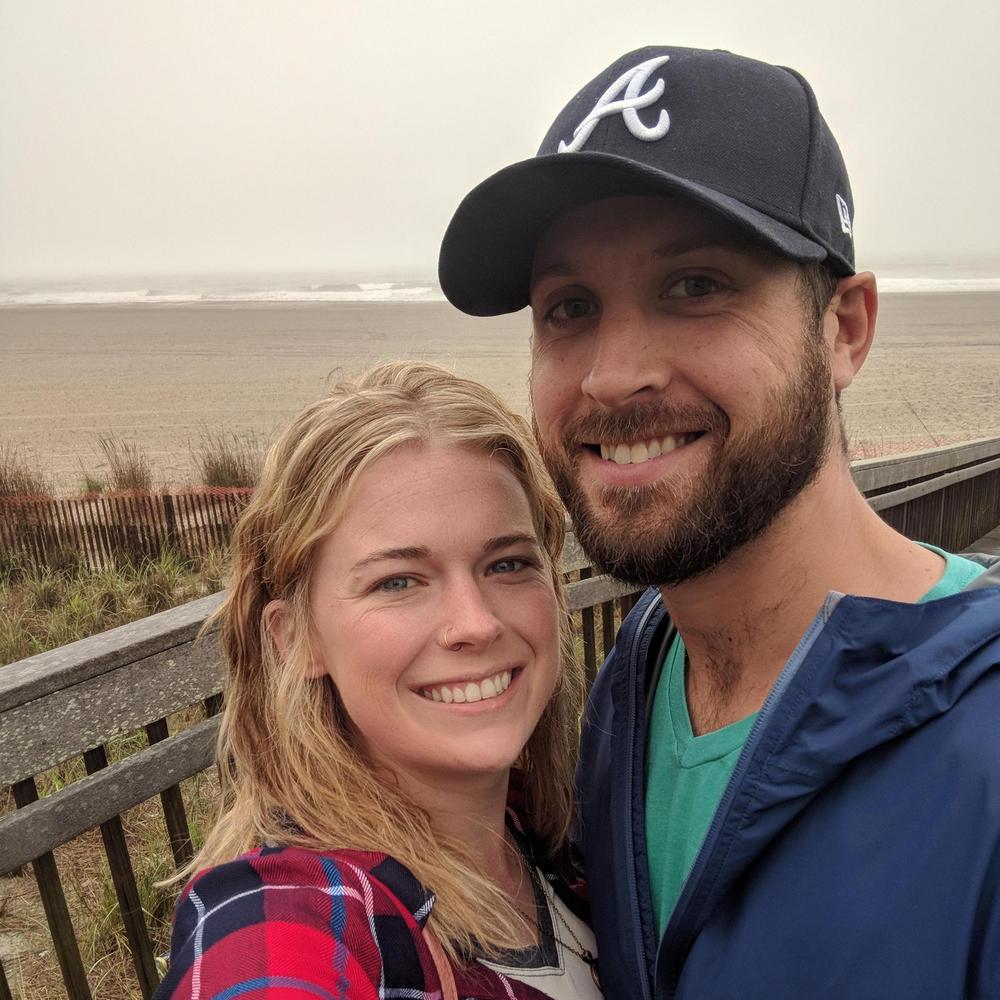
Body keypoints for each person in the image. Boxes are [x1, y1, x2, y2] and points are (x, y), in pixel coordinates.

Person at [439, 45, 1000, 1000]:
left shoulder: (977, 747)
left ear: (844, 329)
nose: (613, 376)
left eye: (696, 286)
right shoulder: (634, 681)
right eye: (569, 307)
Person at [154, 362, 601, 999]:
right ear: (296, 639)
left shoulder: (556, 835)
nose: (475, 623)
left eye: (507, 564)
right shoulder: (291, 915)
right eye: (397, 581)